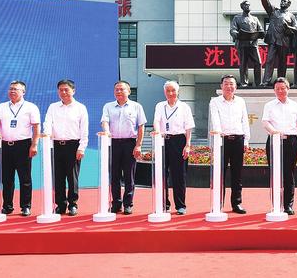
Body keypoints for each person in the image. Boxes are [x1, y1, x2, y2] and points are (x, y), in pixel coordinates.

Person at [0, 81, 40, 217]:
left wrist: (34, 144)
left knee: (25, 178)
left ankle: (25, 206)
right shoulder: (2, 106)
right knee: (7, 178)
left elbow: (36, 127)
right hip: (5, 146)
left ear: (23, 92)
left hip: (23, 146)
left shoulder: (31, 107)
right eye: (10, 89)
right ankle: (7, 206)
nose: (12, 91)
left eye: (15, 89)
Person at [43, 79, 89, 216]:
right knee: (58, 177)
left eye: (66, 90)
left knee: (72, 177)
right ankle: (60, 205)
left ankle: (73, 204)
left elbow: (84, 130)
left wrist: (82, 148)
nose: (63, 92)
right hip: (56, 145)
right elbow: (47, 123)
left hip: (73, 146)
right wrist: (46, 135)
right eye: (61, 90)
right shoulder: (53, 107)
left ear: (73, 91)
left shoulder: (80, 108)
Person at [100, 80, 146, 215]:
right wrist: (107, 131)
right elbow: (105, 121)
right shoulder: (108, 106)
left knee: (129, 175)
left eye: (122, 89)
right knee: (114, 175)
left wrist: (138, 145)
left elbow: (141, 126)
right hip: (113, 143)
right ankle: (116, 203)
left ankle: (128, 204)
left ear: (129, 91)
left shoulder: (136, 106)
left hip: (130, 143)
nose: (119, 91)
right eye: (116, 89)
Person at [262, 77, 297, 215]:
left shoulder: (295, 105)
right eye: (277, 89)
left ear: (288, 89)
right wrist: (274, 131)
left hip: (291, 142)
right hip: (274, 140)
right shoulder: (269, 105)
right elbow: (265, 122)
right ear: (274, 90)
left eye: (283, 88)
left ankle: (288, 205)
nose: (280, 91)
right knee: (275, 173)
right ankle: (276, 204)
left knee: (289, 174)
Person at [208, 75, 250, 214]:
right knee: (220, 174)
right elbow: (215, 120)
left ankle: (236, 203)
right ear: (221, 86)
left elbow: (245, 121)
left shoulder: (241, 101)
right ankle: (218, 204)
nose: (229, 86)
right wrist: (218, 137)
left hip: (238, 140)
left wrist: (246, 139)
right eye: (226, 84)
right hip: (222, 140)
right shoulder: (215, 102)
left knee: (237, 175)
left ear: (236, 87)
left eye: (231, 84)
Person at [153, 80, 194, 215]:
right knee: (161, 174)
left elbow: (188, 127)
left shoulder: (184, 107)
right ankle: (164, 204)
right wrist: (158, 135)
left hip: (179, 141)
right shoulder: (160, 105)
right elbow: (156, 122)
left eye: (173, 90)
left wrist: (187, 145)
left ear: (178, 91)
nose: (170, 93)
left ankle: (180, 205)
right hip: (163, 140)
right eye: (168, 91)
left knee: (179, 176)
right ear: (164, 92)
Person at [258, 0, 297, 86]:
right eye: (281, 1)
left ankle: (281, 81)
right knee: (269, 60)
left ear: (289, 4)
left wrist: (288, 27)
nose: (282, 3)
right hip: (273, 41)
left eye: (284, 1)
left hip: (284, 42)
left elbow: (296, 29)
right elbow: (265, 1)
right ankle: (266, 81)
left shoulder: (291, 16)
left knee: (282, 63)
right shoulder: (273, 11)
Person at [230, 0, 264, 87]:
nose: (247, 6)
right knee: (243, 64)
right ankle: (244, 82)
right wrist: (236, 34)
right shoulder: (237, 18)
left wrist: (261, 34)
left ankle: (258, 83)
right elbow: (233, 29)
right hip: (242, 44)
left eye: (248, 5)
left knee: (258, 62)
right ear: (242, 7)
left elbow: (261, 30)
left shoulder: (255, 19)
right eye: (245, 5)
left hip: (253, 44)